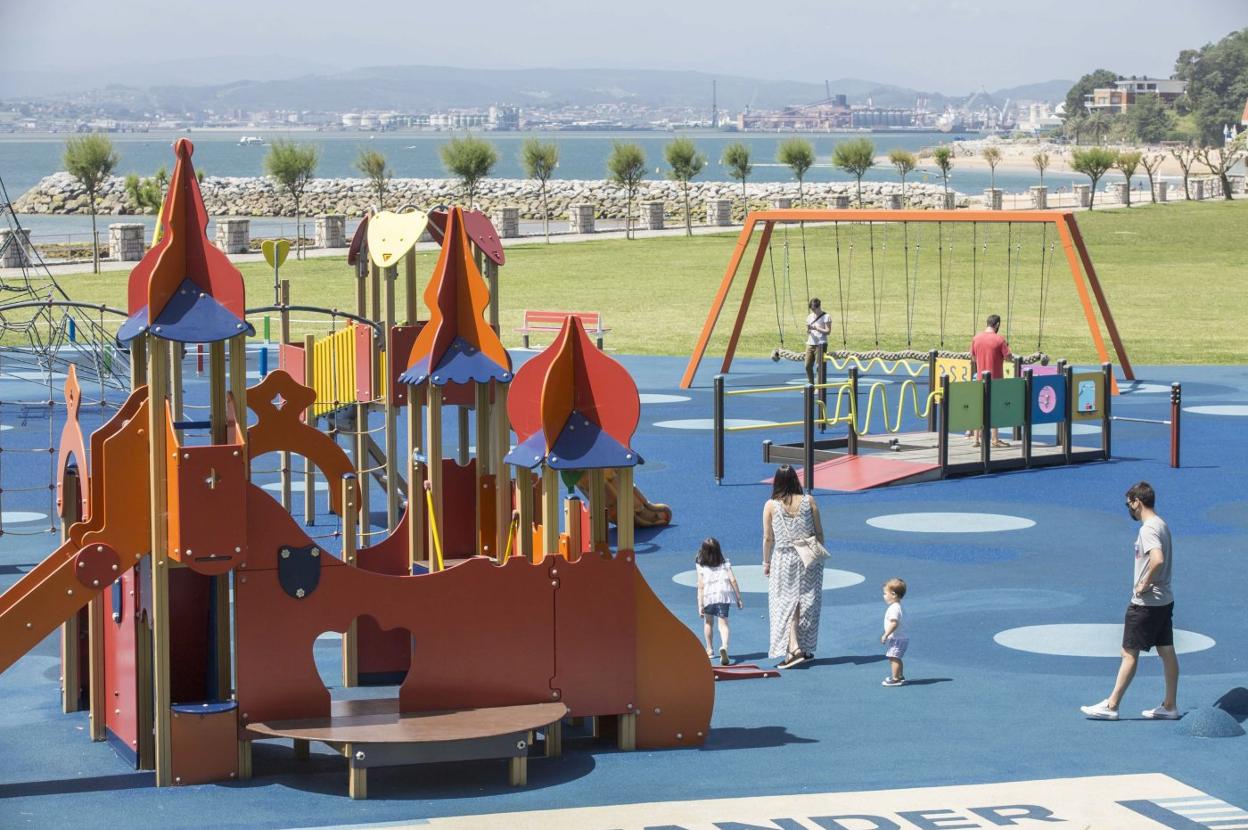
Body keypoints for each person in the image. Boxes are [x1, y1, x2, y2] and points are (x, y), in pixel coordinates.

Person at [1081, 482, 1180, 721]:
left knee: (1128, 653)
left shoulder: (1148, 529)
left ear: (1138, 502)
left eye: (1129, 504)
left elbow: (1157, 559)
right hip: (1164, 600)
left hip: (1146, 604)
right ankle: (1170, 705)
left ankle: (1112, 705)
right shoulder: (1161, 524)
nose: (1129, 509)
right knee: (1166, 650)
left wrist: (1144, 582)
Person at [762, 465, 825, 669]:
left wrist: (766, 561)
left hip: (784, 557)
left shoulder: (771, 505)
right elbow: (819, 532)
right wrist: (817, 554)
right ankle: (803, 647)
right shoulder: (809, 500)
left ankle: (793, 649)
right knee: (806, 602)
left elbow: (768, 538)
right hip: (808, 557)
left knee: (783, 603)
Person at [695, 537, 743, 666]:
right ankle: (724, 646)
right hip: (723, 595)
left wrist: (700, 604)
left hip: (708, 596)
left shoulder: (700, 565)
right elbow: (733, 580)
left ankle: (710, 649)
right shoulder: (725, 563)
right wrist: (738, 598)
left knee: (708, 622)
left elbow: (700, 585)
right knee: (723, 624)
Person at [969, 313, 1013, 448]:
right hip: (996, 381)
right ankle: (994, 439)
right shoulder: (999, 339)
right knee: (995, 409)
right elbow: (1008, 357)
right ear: (997, 325)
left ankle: (976, 439)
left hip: (980, 380)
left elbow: (973, 358)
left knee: (980, 408)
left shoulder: (976, 338)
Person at [880, 578, 908, 687]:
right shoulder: (898, 606)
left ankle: (896, 679)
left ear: (893, 594)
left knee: (894, 658)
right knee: (895, 658)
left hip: (897, 639)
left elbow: (894, 623)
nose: (884, 596)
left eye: (885, 593)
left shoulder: (894, 608)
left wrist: (886, 634)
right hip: (900, 638)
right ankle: (899, 676)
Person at [804, 298, 832, 385]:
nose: (813, 311)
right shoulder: (809, 317)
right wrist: (809, 330)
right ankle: (810, 385)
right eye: (811, 309)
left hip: (821, 344)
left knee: (819, 367)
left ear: (818, 307)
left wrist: (817, 328)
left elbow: (828, 331)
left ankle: (819, 387)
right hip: (810, 343)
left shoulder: (826, 317)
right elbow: (808, 331)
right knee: (807, 365)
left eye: (814, 309)